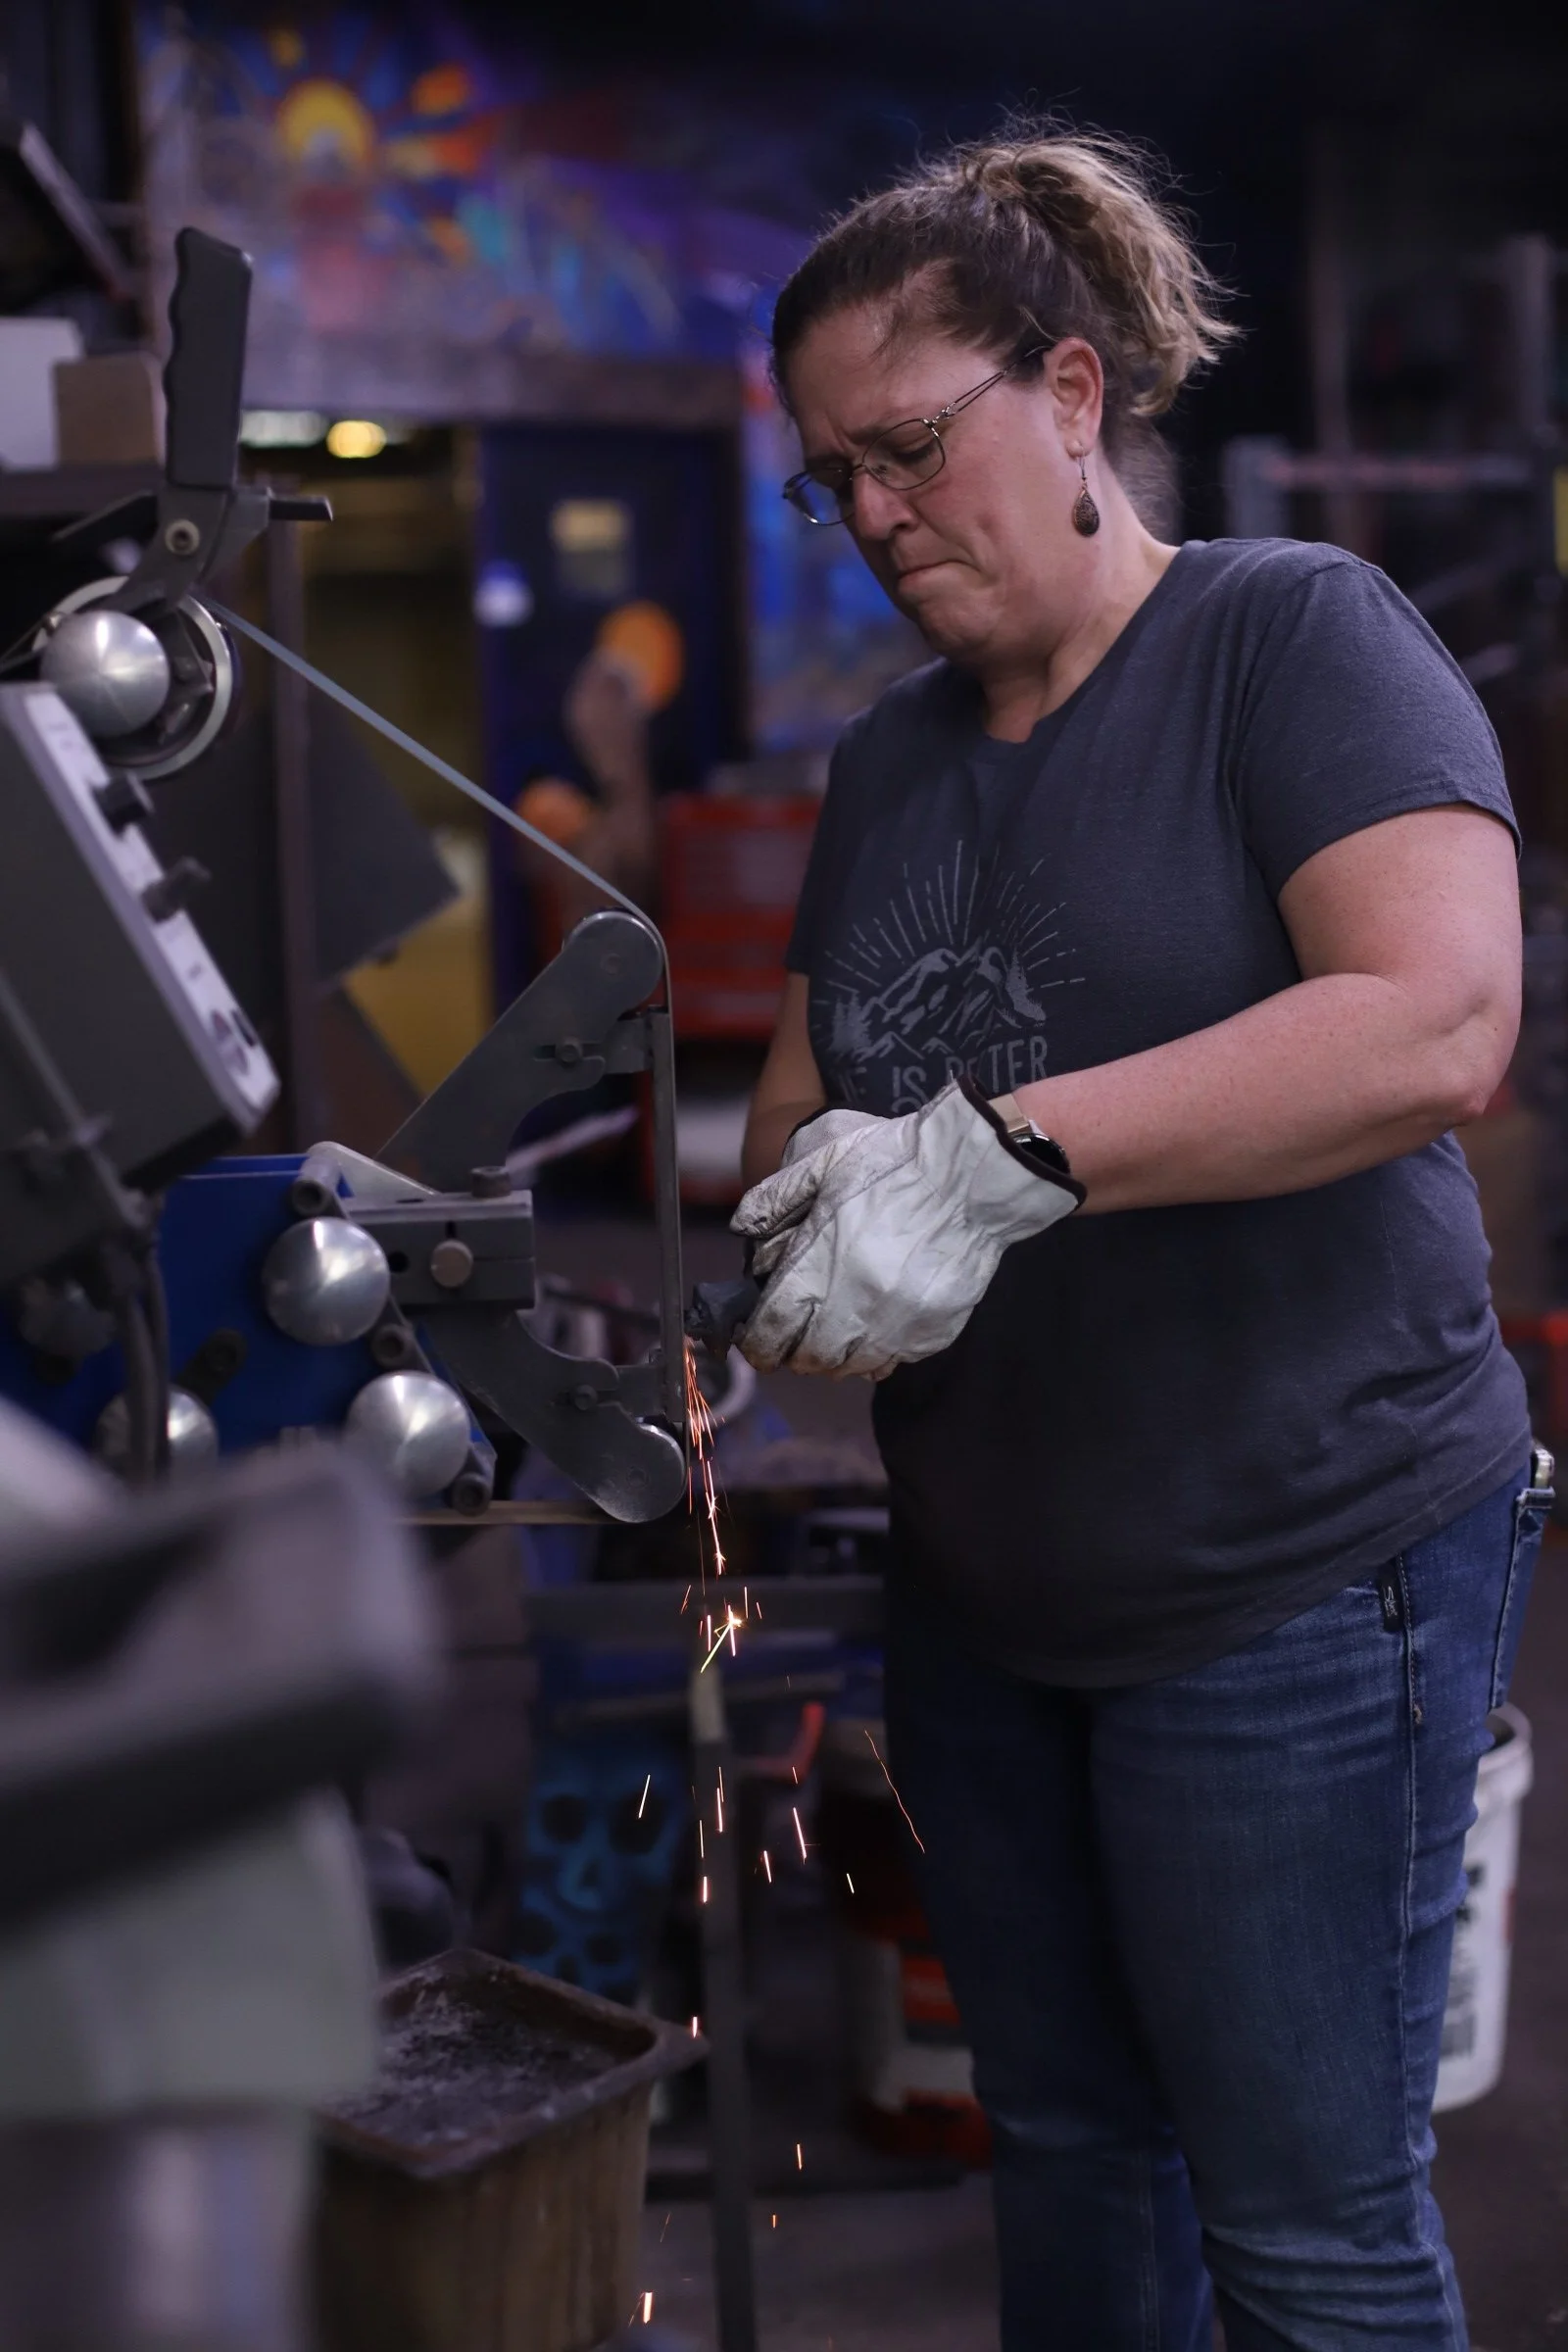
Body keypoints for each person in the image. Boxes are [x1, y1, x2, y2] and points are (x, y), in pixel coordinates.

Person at [735, 124, 1547, 2352]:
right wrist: (812, 1215)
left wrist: (998, 1157)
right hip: (988, 1598)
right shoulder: (887, 761)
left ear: (1072, 394)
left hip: (1295, 1573)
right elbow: (798, 1104)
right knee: (1073, 2161)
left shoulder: (1285, 638)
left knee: (1302, 2228)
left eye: (911, 447)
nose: (875, 516)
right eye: (832, 480)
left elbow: (1435, 1018)